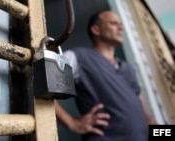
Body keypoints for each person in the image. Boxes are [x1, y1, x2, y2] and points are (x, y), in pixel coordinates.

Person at [54, 10, 157, 141]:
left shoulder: (127, 68)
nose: (120, 28)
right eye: (113, 23)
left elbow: (145, 111)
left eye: (121, 24)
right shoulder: (77, 56)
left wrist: (163, 133)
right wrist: (72, 123)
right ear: (95, 30)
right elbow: (43, 84)